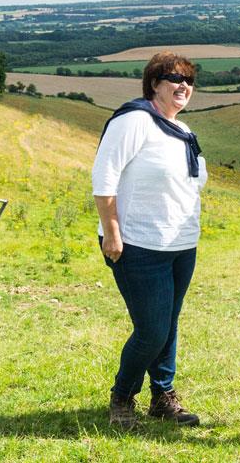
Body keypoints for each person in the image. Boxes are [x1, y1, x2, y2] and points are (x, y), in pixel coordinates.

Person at [91, 52, 207, 429]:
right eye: (174, 78)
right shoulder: (135, 121)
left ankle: (163, 396)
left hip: (180, 246)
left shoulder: (183, 131)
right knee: (152, 329)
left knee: (168, 324)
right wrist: (112, 231)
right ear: (154, 83)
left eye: (189, 79)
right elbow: (104, 178)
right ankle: (122, 398)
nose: (184, 86)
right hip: (138, 245)